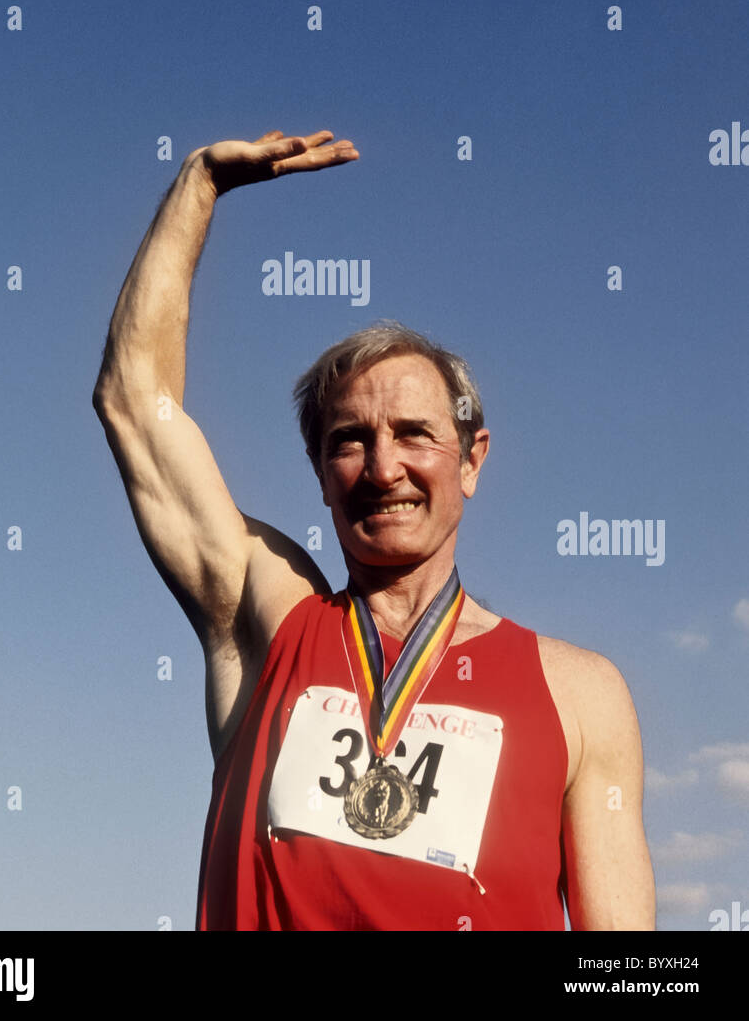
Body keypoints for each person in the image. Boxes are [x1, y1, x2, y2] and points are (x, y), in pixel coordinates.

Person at [92, 129, 656, 931]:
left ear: (471, 459)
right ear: (320, 471)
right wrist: (197, 185)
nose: (382, 467)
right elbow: (133, 401)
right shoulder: (269, 618)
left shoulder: (581, 693)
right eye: (349, 440)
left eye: (415, 434)